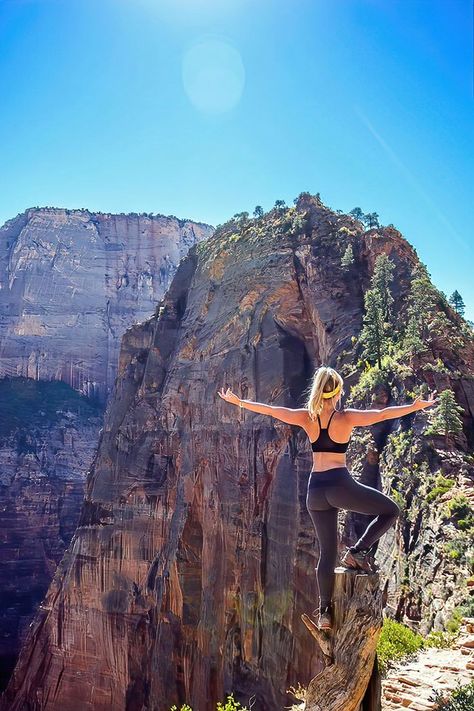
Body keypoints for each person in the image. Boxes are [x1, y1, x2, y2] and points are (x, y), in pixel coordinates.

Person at [217, 366, 438, 631]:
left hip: (315, 491)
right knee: (390, 510)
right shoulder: (346, 418)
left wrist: (238, 401)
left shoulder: (306, 417)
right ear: (338, 391)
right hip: (339, 484)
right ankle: (357, 551)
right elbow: (383, 414)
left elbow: (272, 410)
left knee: (327, 553)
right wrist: (415, 406)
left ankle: (324, 612)